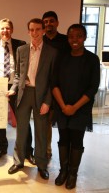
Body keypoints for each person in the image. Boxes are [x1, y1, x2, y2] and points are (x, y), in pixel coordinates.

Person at [7, 18, 57, 180]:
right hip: (24, 94)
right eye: (31, 30)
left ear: (43, 31)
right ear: (28, 31)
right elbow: (18, 76)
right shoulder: (22, 50)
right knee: (21, 130)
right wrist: (13, 89)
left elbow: (52, 81)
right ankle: (18, 161)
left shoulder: (51, 52)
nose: (34, 33)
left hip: (41, 96)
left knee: (41, 132)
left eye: (38, 29)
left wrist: (48, 102)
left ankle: (42, 165)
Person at [52, 24, 100, 189]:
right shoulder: (61, 57)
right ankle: (63, 171)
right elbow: (54, 83)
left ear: (85, 37)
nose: (75, 40)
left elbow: (93, 87)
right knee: (63, 139)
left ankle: (73, 174)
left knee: (77, 140)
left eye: (79, 36)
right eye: (71, 36)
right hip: (62, 106)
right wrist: (64, 106)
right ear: (68, 38)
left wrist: (74, 107)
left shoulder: (92, 59)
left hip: (81, 109)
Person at [0, 18, 26, 160]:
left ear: (12, 29)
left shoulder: (21, 45)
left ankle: (27, 149)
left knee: (23, 119)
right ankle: (2, 147)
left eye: (8, 28)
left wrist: (15, 87)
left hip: (15, 87)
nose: (5, 31)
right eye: (2, 28)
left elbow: (23, 69)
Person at [42, 10, 71, 160]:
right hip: (45, 89)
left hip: (62, 89)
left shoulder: (66, 41)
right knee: (45, 123)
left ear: (57, 23)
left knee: (63, 124)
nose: (48, 24)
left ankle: (65, 154)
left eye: (51, 21)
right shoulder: (40, 41)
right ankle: (46, 151)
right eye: (46, 22)